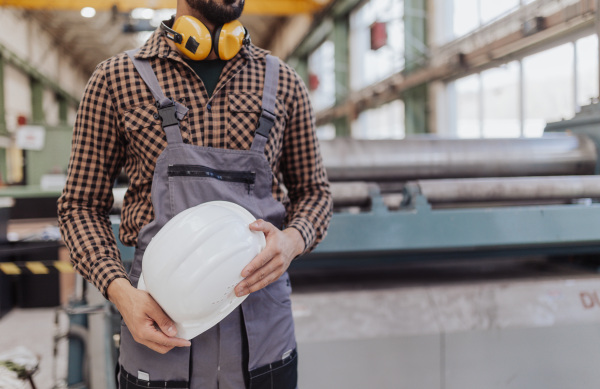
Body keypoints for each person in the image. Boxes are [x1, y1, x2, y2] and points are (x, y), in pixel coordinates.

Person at [57, 0, 333, 387]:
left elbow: (315, 193)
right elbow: (79, 206)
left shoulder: (283, 81)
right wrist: (121, 293)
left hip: (265, 343)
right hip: (158, 339)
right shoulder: (116, 78)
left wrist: (291, 240)